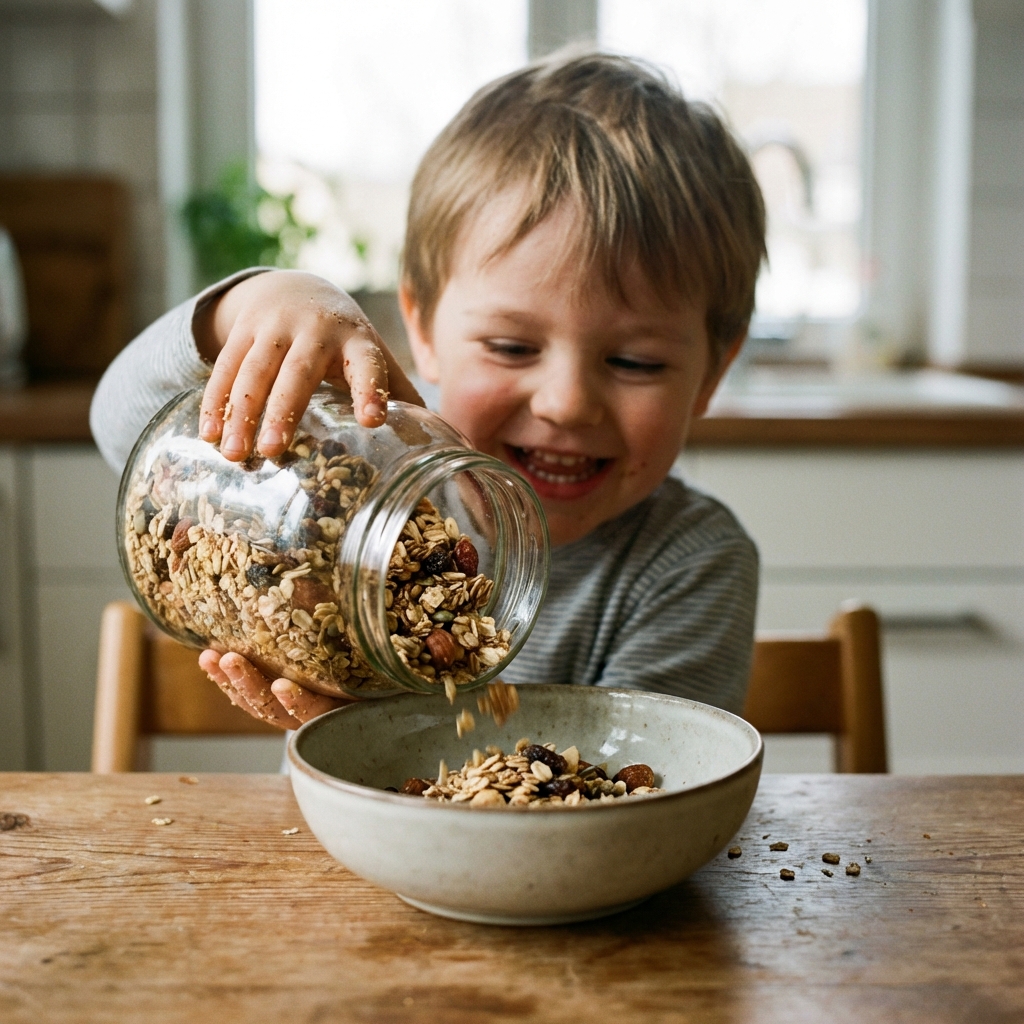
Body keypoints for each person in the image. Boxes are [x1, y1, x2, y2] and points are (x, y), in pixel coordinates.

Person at [91, 51, 766, 730]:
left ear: (712, 373)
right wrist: (245, 306)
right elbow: (120, 427)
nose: (566, 402)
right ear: (420, 328)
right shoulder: (343, 486)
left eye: (635, 361)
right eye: (511, 347)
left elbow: (638, 797)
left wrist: (378, 725)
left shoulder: (691, 563)